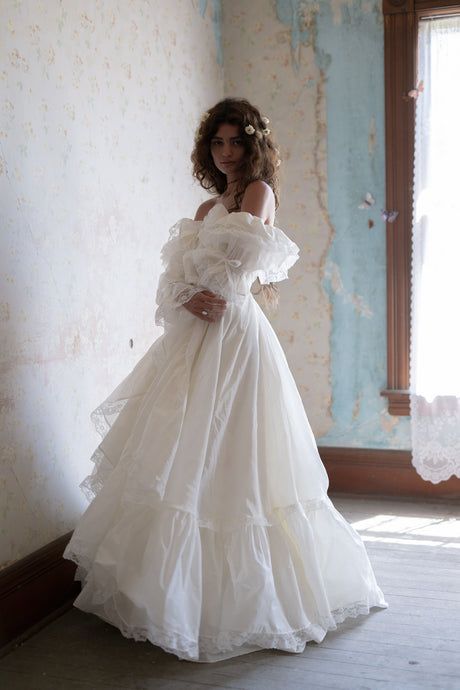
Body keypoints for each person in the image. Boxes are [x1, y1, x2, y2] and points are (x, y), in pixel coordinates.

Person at [63, 97, 388, 663]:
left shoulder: (258, 194)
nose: (228, 152)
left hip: (236, 334)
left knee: (236, 452)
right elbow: (173, 282)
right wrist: (189, 295)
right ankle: (165, 596)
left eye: (236, 141)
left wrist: (208, 286)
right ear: (207, 149)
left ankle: (244, 602)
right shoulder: (204, 207)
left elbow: (240, 268)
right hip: (195, 335)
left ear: (253, 144)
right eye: (218, 143)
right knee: (181, 453)